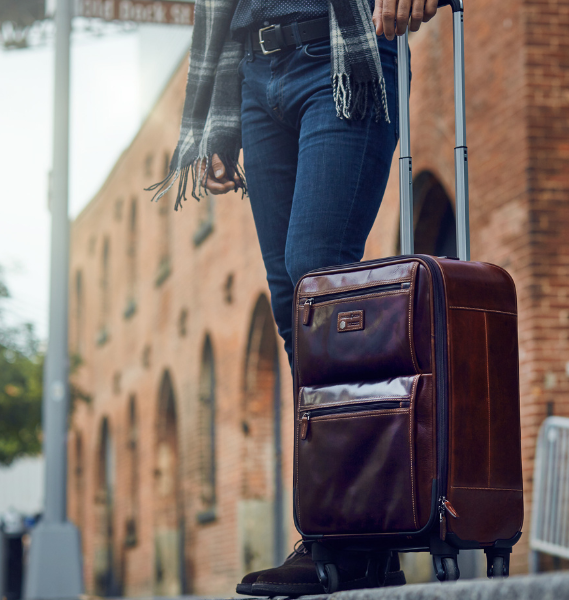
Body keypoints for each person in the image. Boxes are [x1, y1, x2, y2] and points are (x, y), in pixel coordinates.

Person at [154, 0, 441, 596]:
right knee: (295, 308)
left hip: (342, 52)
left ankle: (350, 534)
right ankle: (343, 531)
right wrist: (220, 122)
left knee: (318, 282)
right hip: (255, 75)